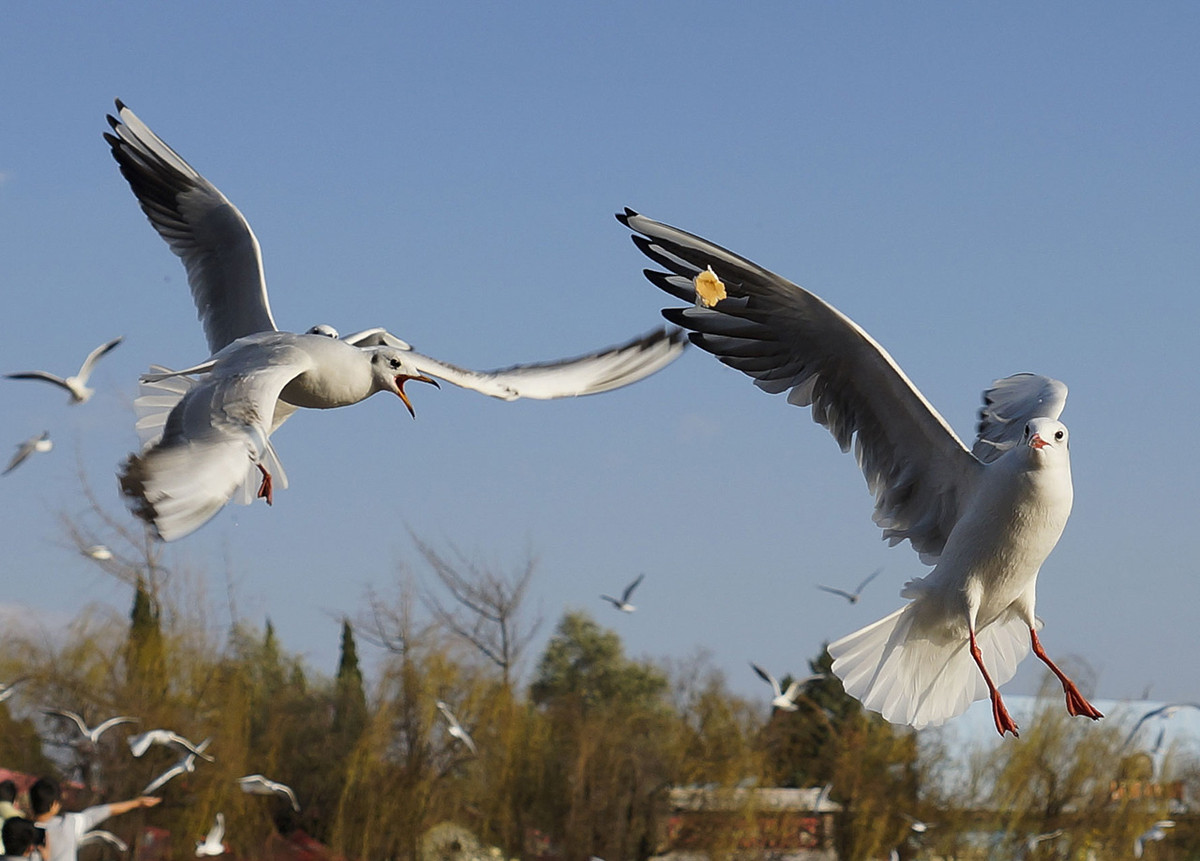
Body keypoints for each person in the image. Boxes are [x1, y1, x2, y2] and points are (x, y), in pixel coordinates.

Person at [28, 779, 159, 861]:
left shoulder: (20, 830)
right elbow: (102, 811)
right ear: (53, 805)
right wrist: (136, 803)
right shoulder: (68, 824)